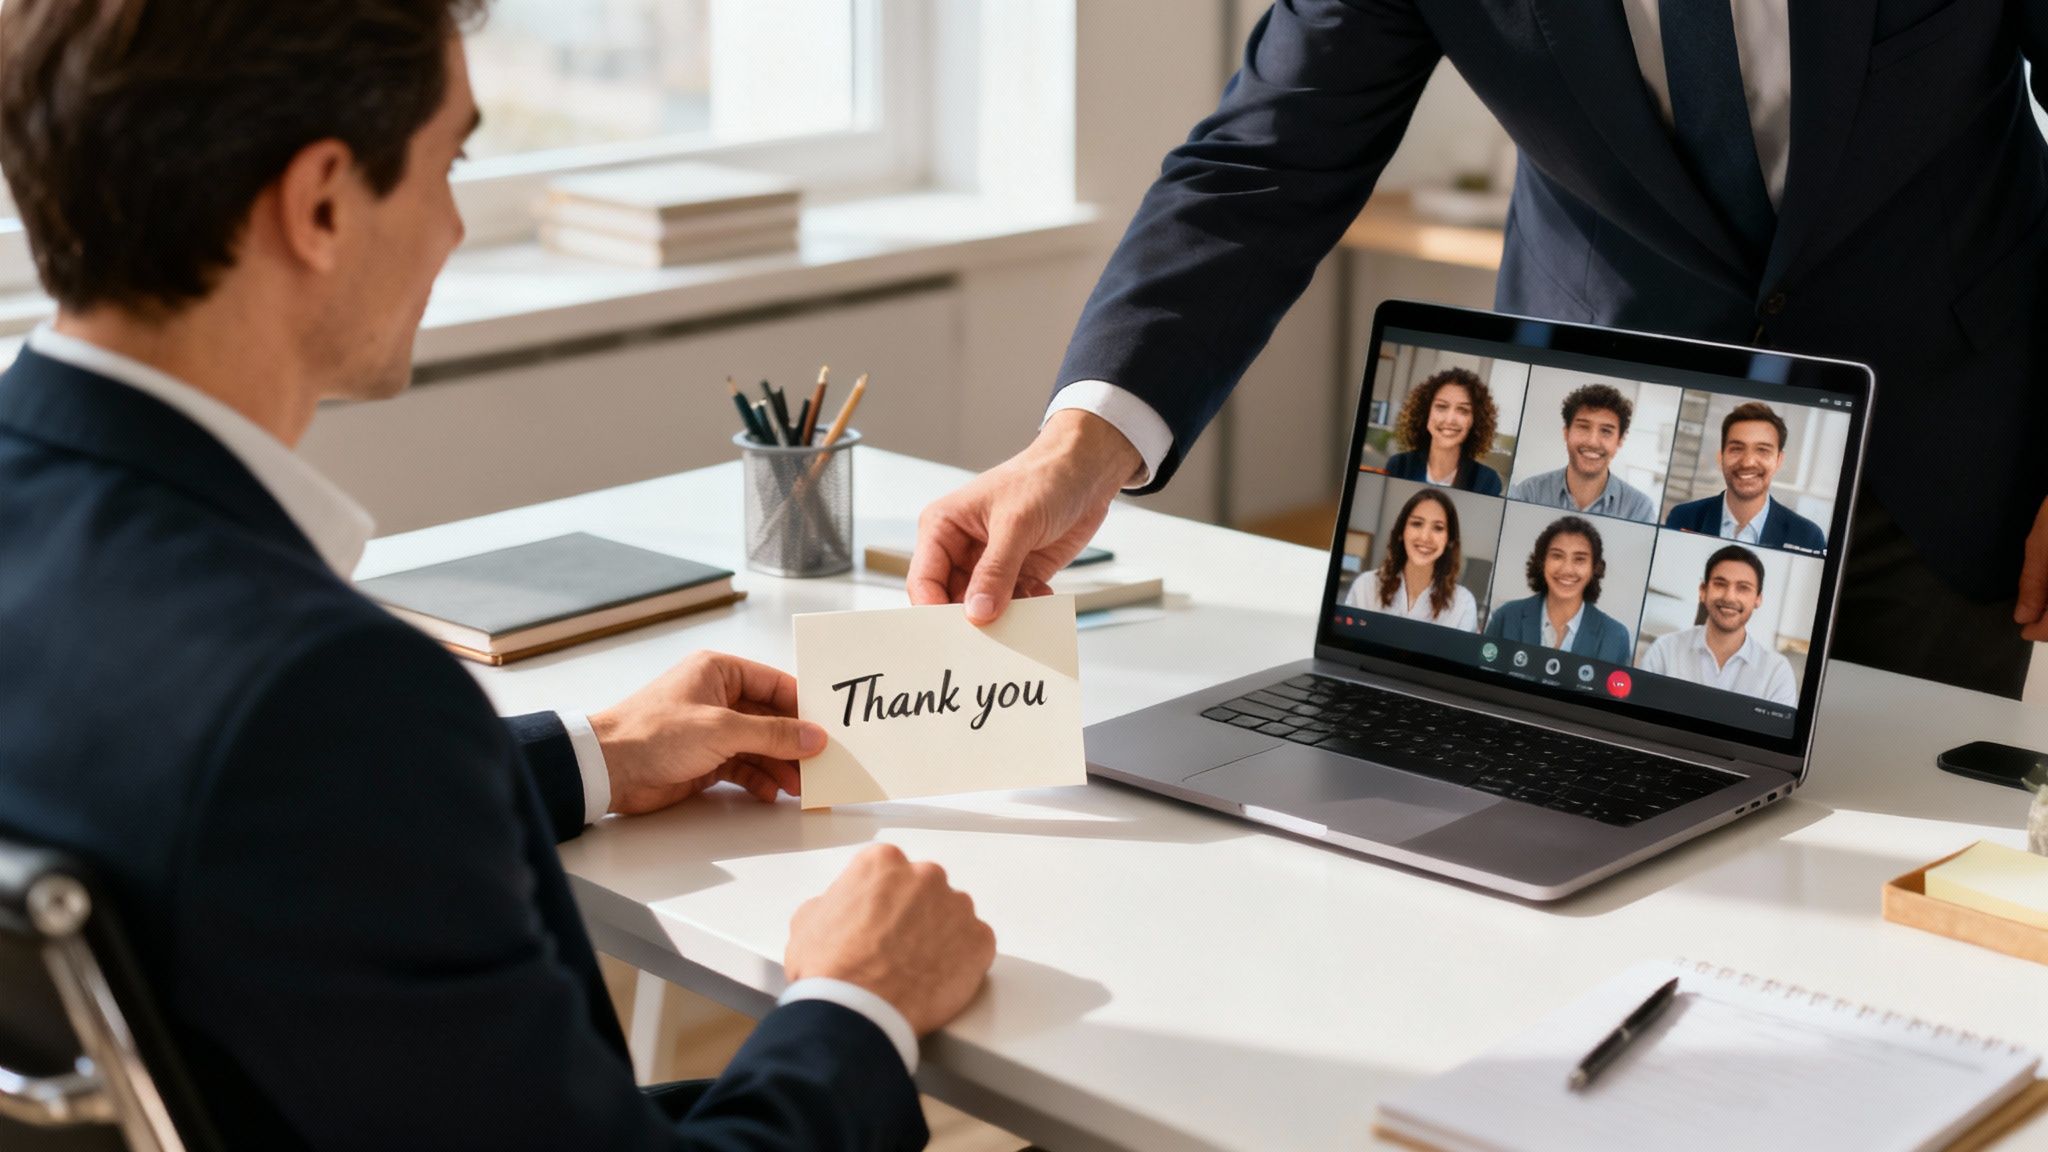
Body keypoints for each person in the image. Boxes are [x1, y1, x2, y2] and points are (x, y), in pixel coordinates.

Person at [0, 3, 993, 1148]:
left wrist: (588, 758)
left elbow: (235, 843)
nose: (456, 226)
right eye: (448, 163)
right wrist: (855, 1001)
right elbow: (289, 776)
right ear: (320, 201)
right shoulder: (319, 695)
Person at [906, 0, 2048, 699]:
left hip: (1941, 446)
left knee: (1907, 888)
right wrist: (1084, 440)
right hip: (1606, 471)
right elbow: (1261, 169)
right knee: (1615, 864)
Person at [1639, 546, 1799, 706]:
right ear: (1703, 590)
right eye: (1720, 584)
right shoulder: (1664, 650)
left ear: (1758, 599)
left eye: (1743, 588)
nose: (1729, 597)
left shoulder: (1777, 672)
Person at [1665, 400, 1828, 553]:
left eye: (1763, 450)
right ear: (1721, 456)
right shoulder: (1683, 517)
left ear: (1779, 460)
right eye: (1736, 449)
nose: (1748, 462)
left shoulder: (1809, 537)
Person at [1484, 516, 1633, 663]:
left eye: (1580, 559)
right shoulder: (1505, 617)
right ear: (1542, 562)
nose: (1567, 569)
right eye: (1557, 556)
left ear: (1594, 568)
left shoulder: (1616, 637)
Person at [1504, 382, 1658, 522]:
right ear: (1566, 433)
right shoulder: (1528, 494)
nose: (1592, 441)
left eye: (1606, 431)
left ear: (1619, 441)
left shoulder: (1640, 510)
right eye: (1583, 427)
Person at [1341, 488, 1479, 630]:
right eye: (1417, 523)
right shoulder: (1365, 586)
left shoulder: (1463, 604)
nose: (1425, 537)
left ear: (1449, 541)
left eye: (1438, 528)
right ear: (1401, 532)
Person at [1379, 366, 1504, 494]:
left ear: (1474, 421)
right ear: (1426, 413)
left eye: (1463, 410)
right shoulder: (1399, 466)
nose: (1450, 420)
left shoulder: (1487, 482)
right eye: (1441, 407)